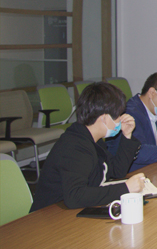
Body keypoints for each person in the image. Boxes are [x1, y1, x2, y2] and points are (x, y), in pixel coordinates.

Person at [30, 82, 145, 212]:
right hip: (50, 215)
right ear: (104, 118)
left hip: (71, 211)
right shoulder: (74, 146)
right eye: (118, 115)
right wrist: (125, 189)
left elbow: (116, 171)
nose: (121, 119)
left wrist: (127, 136)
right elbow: (75, 196)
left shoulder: (93, 139)